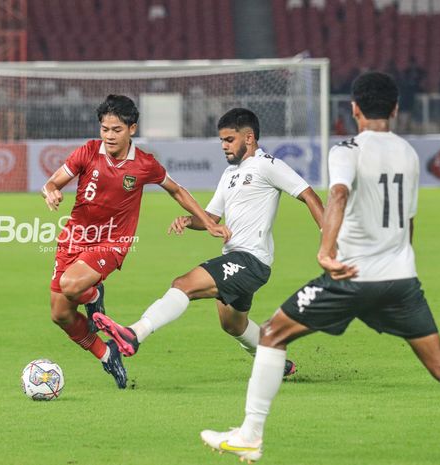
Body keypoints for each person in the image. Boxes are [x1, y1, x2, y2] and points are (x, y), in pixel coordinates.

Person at [200, 71, 440, 463]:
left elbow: (337, 195)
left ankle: (250, 435)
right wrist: (400, 260)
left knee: (271, 336)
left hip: (352, 276)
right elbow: (409, 221)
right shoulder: (408, 153)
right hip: (401, 280)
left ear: (353, 109)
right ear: (396, 109)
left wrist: (326, 250)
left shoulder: (345, 150)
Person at [91, 108, 324, 378]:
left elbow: (309, 195)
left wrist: (326, 235)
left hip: (251, 260)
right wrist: (190, 221)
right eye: (222, 140)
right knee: (233, 325)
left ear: (248, 138)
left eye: (229, 140)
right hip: (236, 257)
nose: (223, 146)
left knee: (183, 284)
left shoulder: (267, 165)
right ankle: (274, 361)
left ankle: (134, 334)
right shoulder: (230, 174)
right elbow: (211, 217)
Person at [41, 94, 231, 389]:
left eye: (116, 130)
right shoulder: (88, 152)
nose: (109, 136)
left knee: (71, 285)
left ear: (132, 128)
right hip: (75, 237)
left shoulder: (144, 164)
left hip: (113, 242)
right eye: (105, 129)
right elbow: (52, 182)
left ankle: (92, 296)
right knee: (60, 314)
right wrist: (51, 191)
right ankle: (106, 355)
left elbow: (177, 190)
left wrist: (207, 222)